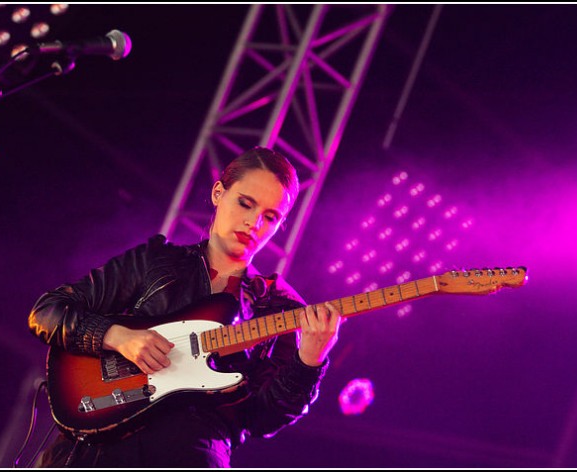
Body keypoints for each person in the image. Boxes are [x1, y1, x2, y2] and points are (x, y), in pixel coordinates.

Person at [28, 146, 343, 468]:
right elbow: (49, 312)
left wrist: (310, 362)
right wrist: (117, 336)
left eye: (270, 216)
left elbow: (261, 419)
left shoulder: (280, 307)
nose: (253, 222)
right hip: (96, 451)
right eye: (245, 203)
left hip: (192, 453)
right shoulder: (156, 259)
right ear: (219, 192)